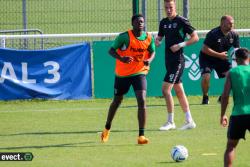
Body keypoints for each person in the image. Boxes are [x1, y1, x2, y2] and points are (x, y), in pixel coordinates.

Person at [100, 14, 156, 144]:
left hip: (139, 73)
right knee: (117, 101)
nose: (141, 23)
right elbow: (111, 50)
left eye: (142, 21)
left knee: (142, 100)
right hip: (122, 75)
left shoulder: (148, 37)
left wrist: (149, 60)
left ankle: (141, 136)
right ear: (133, 24)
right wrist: (122, 58)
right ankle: (107, 128)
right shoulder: (124, 37)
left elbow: (152, 51)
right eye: (138, 21)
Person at [155, 0, 199, 131]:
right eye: (166, 7)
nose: (168, 9)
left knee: (165, 90)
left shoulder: (182, 21)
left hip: (178, 61)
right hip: (168, 60)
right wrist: (157, 41)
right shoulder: (163, 22)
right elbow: (159, 38)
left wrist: (180, 45)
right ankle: (189, 120)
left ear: (175, 7)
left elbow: (195, 37)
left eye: (171, 7)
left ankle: (170, 121)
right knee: (179, 90)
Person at [199, 15, 240, 104]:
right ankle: (205, 96)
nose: (232, 25)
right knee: (206, 77)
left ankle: (223, 97)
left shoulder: (234, 35)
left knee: (233, 76)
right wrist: (219, 55)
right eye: (229, 23)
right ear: (222, 24)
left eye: (232, 23)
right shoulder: (213, 34)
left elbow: (237, 50)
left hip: (221, 59)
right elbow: (204, 49)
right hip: (207, 58)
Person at [220, 47, 250, 167]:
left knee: (231, 146)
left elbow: (225, 96)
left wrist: (222, 115)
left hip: (238, 115)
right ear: (248, 58)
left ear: (236, 60)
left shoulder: (232, 73)